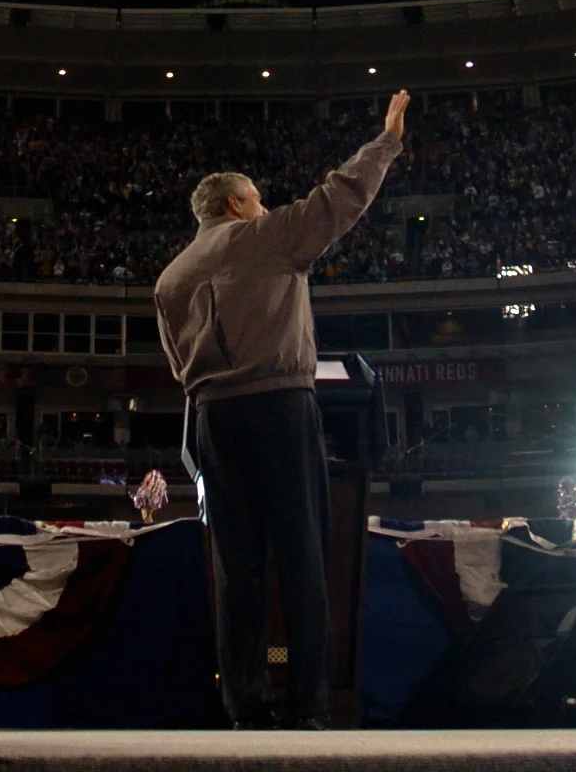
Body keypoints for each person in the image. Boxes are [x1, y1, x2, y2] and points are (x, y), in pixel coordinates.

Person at [154, 90, 408, 729]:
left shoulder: (169, 278)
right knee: (302, 559)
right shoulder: (264, 237)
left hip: (211, 417)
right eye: (259, 198)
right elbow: (340, 196)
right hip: (279, 410)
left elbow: (177, 367)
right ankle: (310, 708)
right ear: (239, 204)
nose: (265, 206)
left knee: (236, 571)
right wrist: (387, 140)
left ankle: (246, 709)